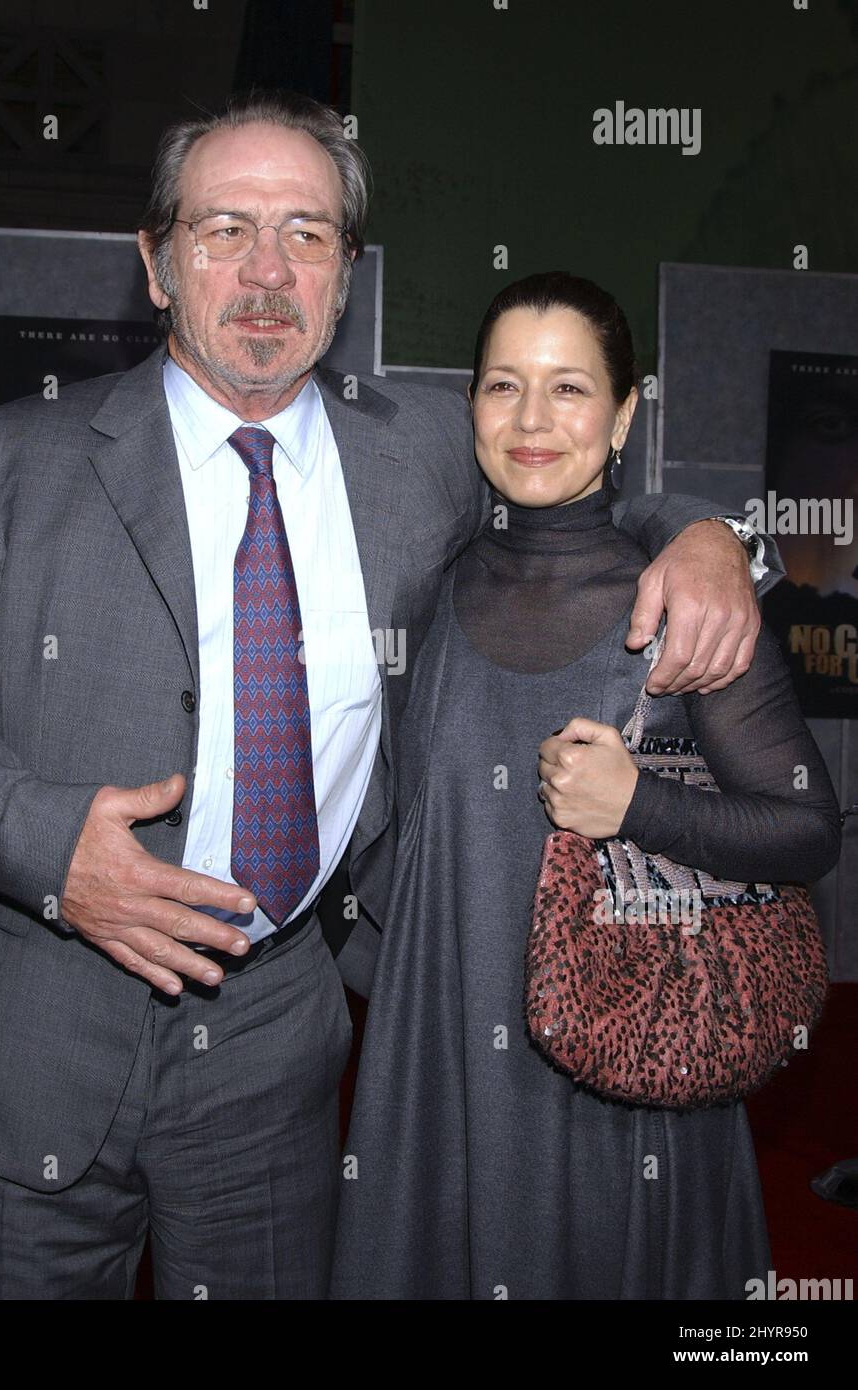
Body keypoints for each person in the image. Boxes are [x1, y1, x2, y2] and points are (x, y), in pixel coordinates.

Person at [0, 93, 778, 1301]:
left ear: (345, 276)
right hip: (44, 1027)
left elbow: (571, 478)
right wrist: (51, 851)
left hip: (277, 1041)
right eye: (223, 228)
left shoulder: (415, 454)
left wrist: (706, 535)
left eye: (306, 234)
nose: (265, 271)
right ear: (155, 262)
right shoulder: (15, 458)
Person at [329, 273, 841, 1301]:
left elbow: (805, 827)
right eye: (501, 386)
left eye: (568, 389)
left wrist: (641, 807)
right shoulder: (426, 587)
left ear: (624, 412)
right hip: (438, 1053)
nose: (529, 420)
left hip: (619, 1059)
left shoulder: (684, 608)